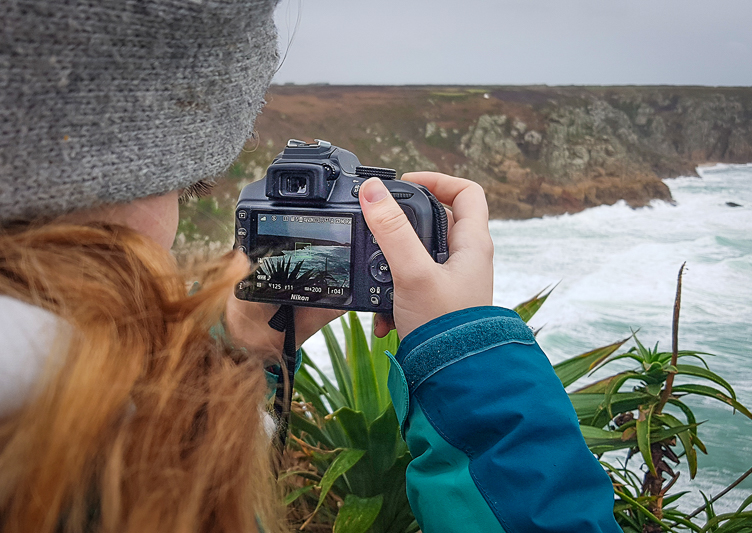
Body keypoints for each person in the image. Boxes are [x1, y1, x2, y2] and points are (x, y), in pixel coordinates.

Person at [0, 1, 621, 532]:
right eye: (183, 186)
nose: (177, 223)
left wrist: (235, 349)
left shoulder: (46, 433)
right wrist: (468, 369)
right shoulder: (86, 459)